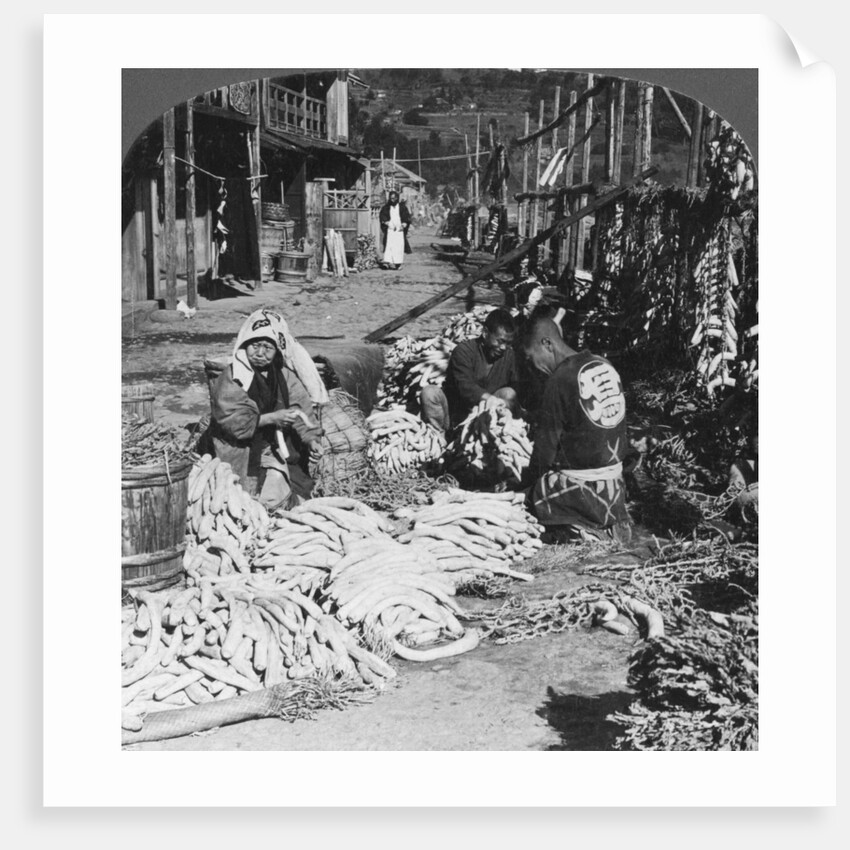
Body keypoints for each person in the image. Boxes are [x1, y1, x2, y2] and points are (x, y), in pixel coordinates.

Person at [518, 316, 632, 544]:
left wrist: (528, 484)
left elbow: (545, 450)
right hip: (617, 485)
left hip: (588, 487)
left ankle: (580, 527)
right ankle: (607, 518)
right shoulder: (604, 363)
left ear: (547, 344)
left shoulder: (560, 379)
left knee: (535, 495)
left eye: (531, 356)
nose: (532, 365)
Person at [200, 307, 326, 512]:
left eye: (268, 348)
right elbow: (231, 422)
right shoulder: (233, 377)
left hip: (274, 445)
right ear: (245, 345)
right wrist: (270, 419)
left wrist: (311, 440)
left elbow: (300, 409)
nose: (260, 353)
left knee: (291, 491)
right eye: (255, 346)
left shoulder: (284, 376)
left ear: (277, 351)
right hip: (240, 448)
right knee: (245, 498)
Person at [420, 308, 522, 434]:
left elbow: (516, 385)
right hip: (455, 414)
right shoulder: (463, 351)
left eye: (507, 343)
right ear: (485, 333)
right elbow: (465, 386)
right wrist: (489, 399)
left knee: (509, 393)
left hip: (487, 415)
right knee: (429, 393)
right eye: (500, 341)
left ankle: (495, 434)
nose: (503, 347)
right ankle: (440, 435)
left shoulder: (509, 356)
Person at [378, 190, 412, 269]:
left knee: (398, 247)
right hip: (390, 230)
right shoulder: (386, 207)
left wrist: (404, 224)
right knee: (389, 246)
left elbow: (406, 218)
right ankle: (387, 262)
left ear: (397, 198)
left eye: (394, 198)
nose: (392, 200)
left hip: (399, 230)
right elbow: (382, 216)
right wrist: (387, 223)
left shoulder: (402, 207)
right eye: (391, 199)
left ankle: (398, 264)